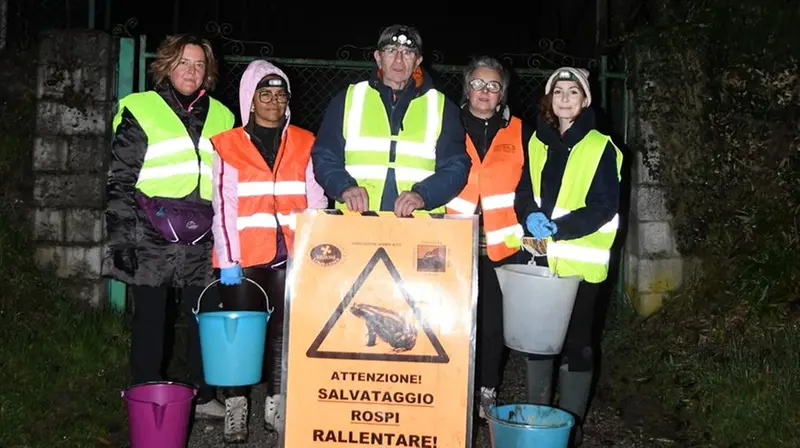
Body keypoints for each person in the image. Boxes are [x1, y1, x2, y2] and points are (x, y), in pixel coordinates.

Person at [105, 34, 235, 419]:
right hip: (149, 231)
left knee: (204, 315)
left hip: (203, 232)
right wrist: (121, 240)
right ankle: (146, 394)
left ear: (208, 71)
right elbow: (120, 180)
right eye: (183, 63)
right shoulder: (141, 109)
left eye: (198, 64)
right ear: (165, 66)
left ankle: (204, 394)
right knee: (151, 316)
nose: (191, 72)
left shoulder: (224, 117)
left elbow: (229, 184)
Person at [210, 59, 327, 443]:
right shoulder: (228, 145)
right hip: (244, 258)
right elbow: (223, 206)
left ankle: (276, 405)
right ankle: (236, 407)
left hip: (289, 254)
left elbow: (316, 200)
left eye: (280, 95)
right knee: (239, 334)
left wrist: (312, 251)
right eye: (265, 95)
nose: (274, 103)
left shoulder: (305, 141)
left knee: (283, 333)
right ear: (251, 99)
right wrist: (228, 259)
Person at [514, 67, 623, 446]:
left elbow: (604, 206)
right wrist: (527, 213)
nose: (564, 98)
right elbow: (523, 190)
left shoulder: (600, 146)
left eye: (573, 92)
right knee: (539, 340)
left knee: (578, 343)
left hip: (580, 263)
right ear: (549, 99)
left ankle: (571, 427)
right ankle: (538, 422)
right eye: (557, 91)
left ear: (586, 99)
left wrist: (561, 228)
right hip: (540, 259)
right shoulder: (537, 142)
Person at [445, 56, 532, 418]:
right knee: (451, 320)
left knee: (495, 324)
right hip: (453, 241)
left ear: (503, 93)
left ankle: (486, 391)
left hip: (502, 245)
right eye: (478, 84)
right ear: (467, 88)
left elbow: (531, 185)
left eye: (493, 85)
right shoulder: (446, 125)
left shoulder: (522, 131)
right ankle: (451, 389)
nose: (485, 91)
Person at [311, 24, 470, 215]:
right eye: (391, 50)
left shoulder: (442, 106)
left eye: (408, 52)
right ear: (378, 57)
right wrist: (344, 187)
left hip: (418, 223)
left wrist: (423, 195)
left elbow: (456, 167)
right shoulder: (348, 99)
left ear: (418, 61)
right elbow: (325, 156)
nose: (399, 60)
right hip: (357, 220)